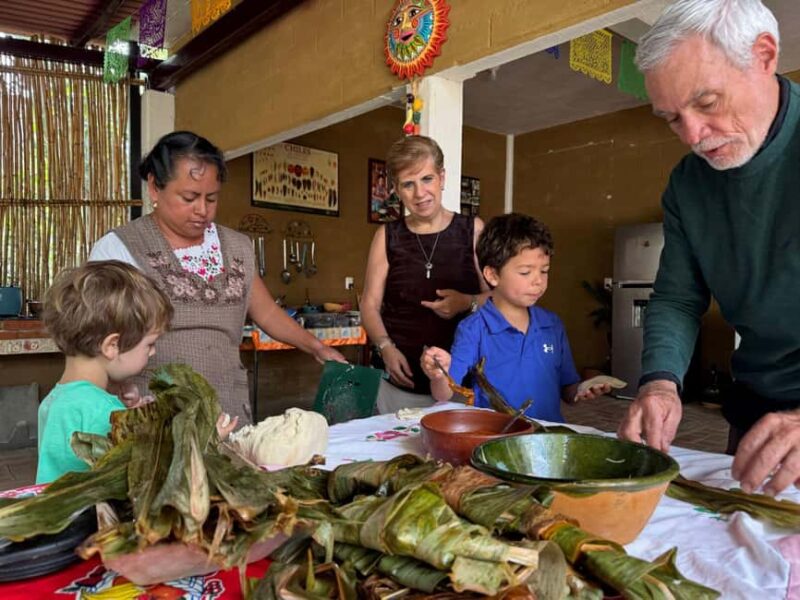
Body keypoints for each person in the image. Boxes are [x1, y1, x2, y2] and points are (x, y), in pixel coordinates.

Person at [615, 0, 800, 496]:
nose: (693, 136)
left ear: (764, 55)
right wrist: (659, 383)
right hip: (758, 414)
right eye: (672, 118)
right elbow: (677, 298)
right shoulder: (687, 186)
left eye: (708, 102)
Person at [90, 131, 345, 425]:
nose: (202, 210)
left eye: (211, 198)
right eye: (189, 197)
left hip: (229, 413)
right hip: (155, 414)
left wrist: (316, 346)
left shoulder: (237, 247)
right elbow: (97, 341)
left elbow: (267, 312)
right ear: (154, 188)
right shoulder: (120, 248)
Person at [421, 213, 610, 419]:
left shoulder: (552, 325)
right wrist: (440, 374)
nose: (538, 281)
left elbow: (568, 389)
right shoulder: (474, 328)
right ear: (492, 275)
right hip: (497, 440)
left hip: (546, 440)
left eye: (544, 271)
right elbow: (444, 393)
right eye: (525, 272)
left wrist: (585, 389)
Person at [361, 135, 490, 412]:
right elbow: (369, 304)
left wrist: (466, 302)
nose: (420, 194)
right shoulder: (386, 236)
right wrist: (385, 347)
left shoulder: (473, 230)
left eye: (427, 179)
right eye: (408, 184)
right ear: (396, 189)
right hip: (400, 380)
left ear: (442, 178)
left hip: (460, 379)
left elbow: (499, 297)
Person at [36, 261, 174, 484]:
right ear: (112, 345)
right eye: (149, 344)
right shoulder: (103, 410)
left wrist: (130, 414)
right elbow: (140, 471)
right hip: (90, 517)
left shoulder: (54, 401)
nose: (153, 352)